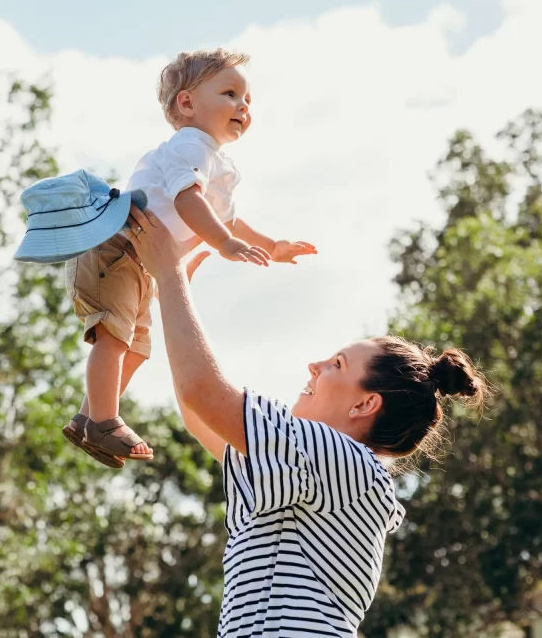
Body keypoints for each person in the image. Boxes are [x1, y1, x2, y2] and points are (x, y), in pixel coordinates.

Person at [124, 205, 489, 637]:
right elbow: (198, 410)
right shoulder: (321, 468)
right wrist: (174, 287)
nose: (314, 365)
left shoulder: (345, 460)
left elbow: (202, 394)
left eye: (336, 363)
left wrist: (169, 273)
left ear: (365, 404)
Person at [60, 48, 316, 467]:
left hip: (141, 261)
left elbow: (228, 220)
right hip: (116, 247)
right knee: (114, 337)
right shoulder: (189, 146)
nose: (243, 106)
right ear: (187, 102)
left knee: (138, 348)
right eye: (230, 93)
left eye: (248, 100)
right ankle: (105, 420)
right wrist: (223, 243)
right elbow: (187, 201)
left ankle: (89, 418)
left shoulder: (217, 161)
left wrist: (273, 246)